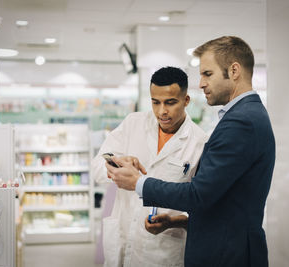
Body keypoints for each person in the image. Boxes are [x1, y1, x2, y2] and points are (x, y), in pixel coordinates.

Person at [106, 36, 276, 267]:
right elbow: (223, 202)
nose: (201, 83)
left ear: (234, 70)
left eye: (207, 74)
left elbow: (199, 194)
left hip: (226, 254)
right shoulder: (246, 115)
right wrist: (178, 222)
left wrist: (139, 182)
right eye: (155, 102)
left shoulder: (241, 121)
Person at [91, 66, 208, 267]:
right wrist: (117, 165)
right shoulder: (133, 123)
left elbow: (201, 202)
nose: (162, 111)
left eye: (170, 103)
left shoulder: (199, 143)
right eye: (156, 102)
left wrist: (176, 221)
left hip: (163, 250)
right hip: (123, 237)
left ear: (186, 100)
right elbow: (97, 167)